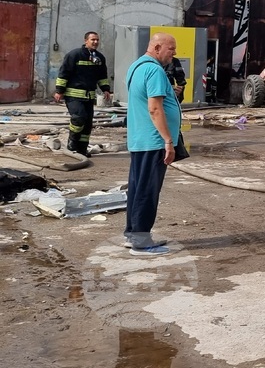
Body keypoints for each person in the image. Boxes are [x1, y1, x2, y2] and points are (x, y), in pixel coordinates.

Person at [124, 32, 181, 256]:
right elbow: (154, 108)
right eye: (171, 48)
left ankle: (132, 235)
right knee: (148, 191)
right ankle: (141, 242)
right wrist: (168, 140)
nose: (174, 53)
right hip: (153, 140)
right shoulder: (155, 70)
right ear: (157, 48)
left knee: (138, 189)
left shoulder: (136, 66)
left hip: (140, 140)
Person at [54, 31, 111, 157]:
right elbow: (64, 73)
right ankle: (72, 145)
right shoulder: (74, 55)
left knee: (87, 124)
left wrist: (106, 89)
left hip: (89, 97)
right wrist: (59, 91)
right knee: (78, 118)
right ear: (86, 41)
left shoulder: (99, 58)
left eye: (97, 40)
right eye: (93, 40)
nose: (95, 42)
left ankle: (82, 150)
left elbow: (102, 76)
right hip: (73, 96)